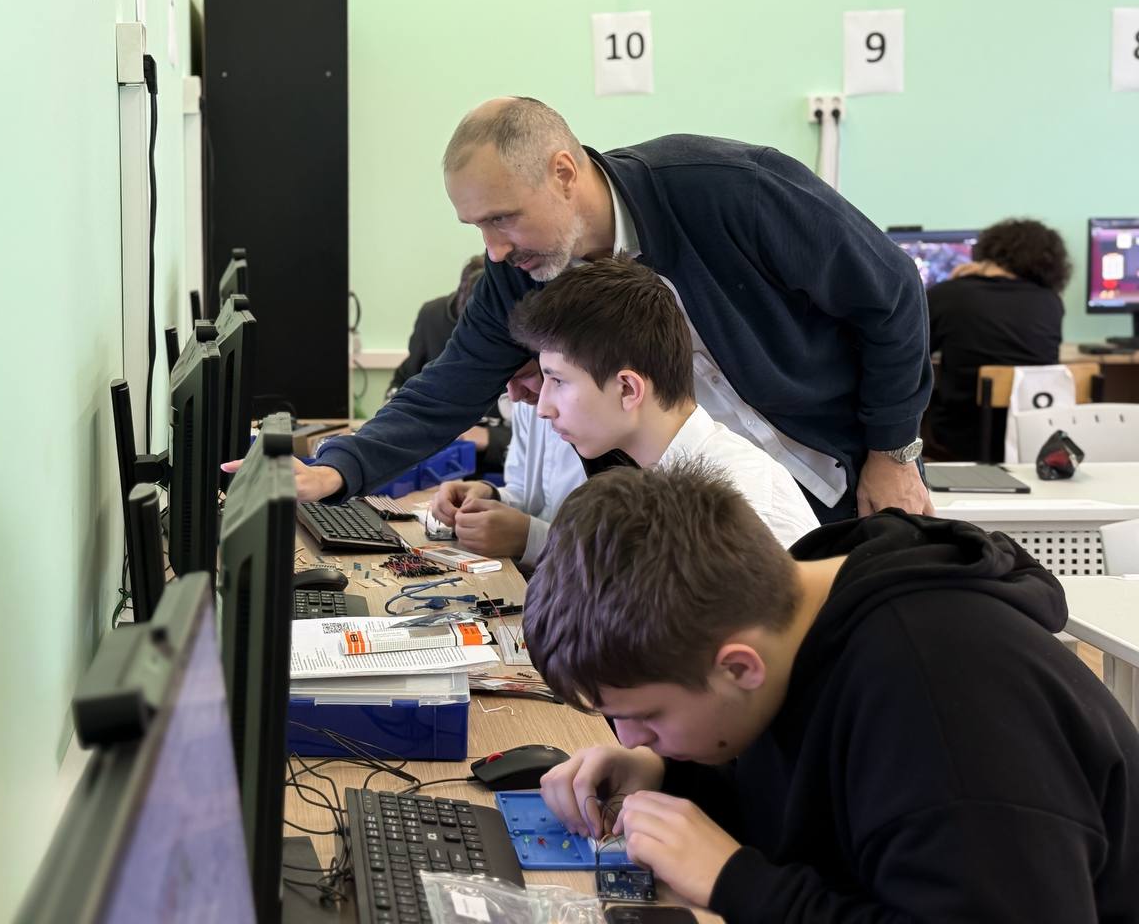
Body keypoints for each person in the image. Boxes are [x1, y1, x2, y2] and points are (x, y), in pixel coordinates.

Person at [240, 96, 934, 522]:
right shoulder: (520, 273)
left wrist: (893, 451)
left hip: (856, 479)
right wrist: (338, 466)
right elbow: (447, 387)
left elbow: (892, 292)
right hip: (702, 519)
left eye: (503, 218)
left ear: (564, 173)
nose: (494, 249)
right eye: (477, 227)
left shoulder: (726, 189)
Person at [526, 461, 1139, 921]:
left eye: (647, 716)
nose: (632, 738)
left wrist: (736, 882)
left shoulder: (943, 708)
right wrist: (669, 774)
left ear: (738, 668)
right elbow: (821, 795)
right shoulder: (796, 608)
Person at [434, 256, 819, 549]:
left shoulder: (738, 508)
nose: (543, 407)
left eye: (558, 381)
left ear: (628, 390)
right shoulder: (646, 481)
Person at [924, 218, 1068, 462]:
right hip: (1032, 437)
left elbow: (912, 352)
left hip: (962, 439)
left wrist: (953, 284)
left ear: (988, 250)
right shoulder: (1051, 302)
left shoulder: (949, 294)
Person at [387, 254, 511, 477]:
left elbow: (546, 439)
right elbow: (403, 382)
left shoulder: (527, 329)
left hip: (501, 468)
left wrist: (492, 438)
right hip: (436, 461)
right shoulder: (433, 317)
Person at [428, 400, 585, 571]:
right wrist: (492, 496)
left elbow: (604, 556)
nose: (513, 396)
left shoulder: (595, 428)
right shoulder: (525, 404)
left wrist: (529, 539)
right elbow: (522, 490)